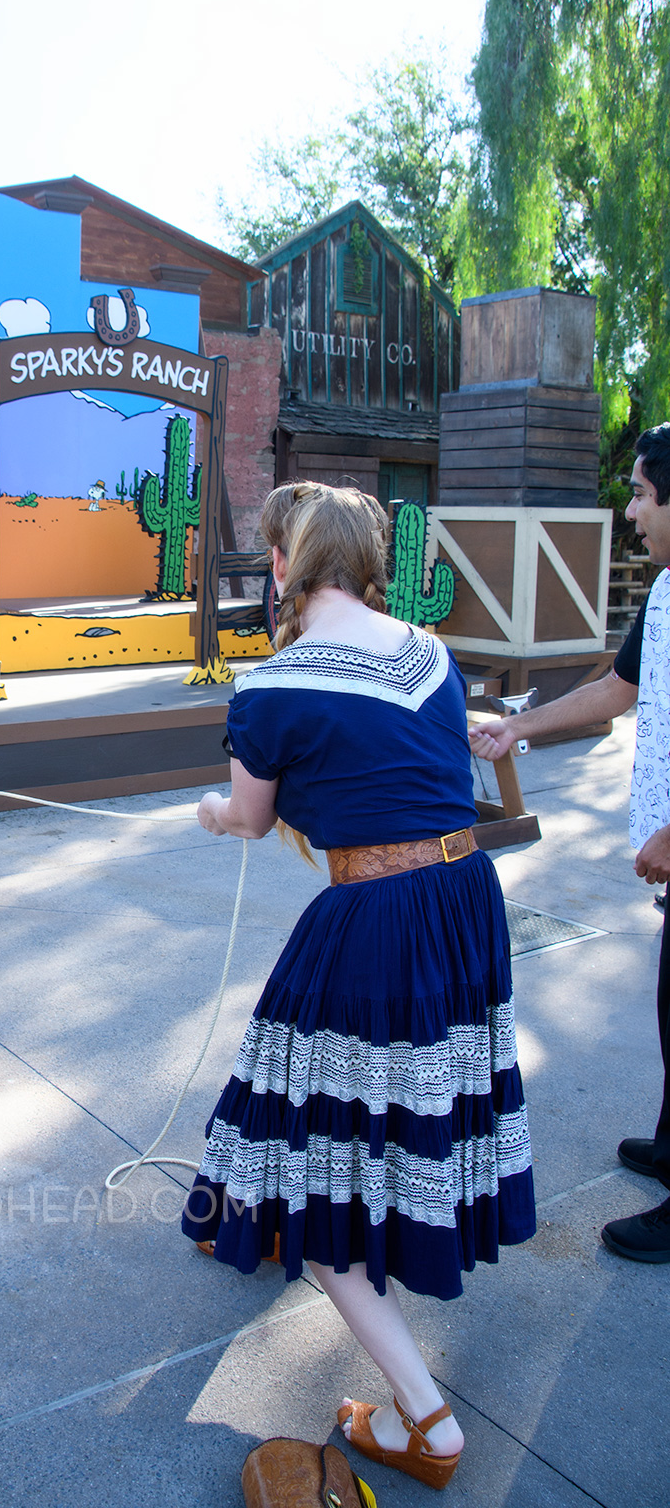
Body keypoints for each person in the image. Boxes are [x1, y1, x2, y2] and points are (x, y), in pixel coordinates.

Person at [182, 481, 536, 1490]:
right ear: (366, 561)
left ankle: (426, 1420)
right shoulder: (426, 649)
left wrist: (213, 810)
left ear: (285, 566)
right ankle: (238, 1216)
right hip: (463, 898)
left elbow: (251, 820)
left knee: (315, 1158)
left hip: (374, 917)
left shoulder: (272, 686)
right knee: (359, 1093)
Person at [471, 421, 670, 1266]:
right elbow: (618, 691)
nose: (629, 511)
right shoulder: (663, 592)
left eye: (639, 492)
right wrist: (518, 727)